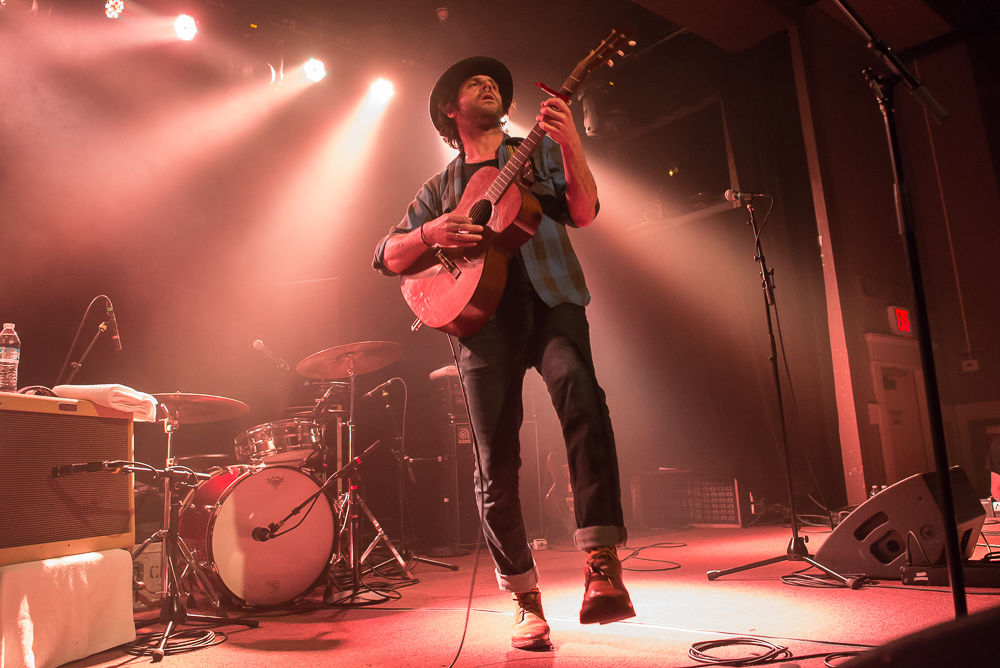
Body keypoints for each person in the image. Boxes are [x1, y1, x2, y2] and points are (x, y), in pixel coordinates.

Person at [373, 56, 634, 649]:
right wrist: (430, 233)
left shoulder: (537, 149)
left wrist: (570, 144)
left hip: (552, 301)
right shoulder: (441, 188)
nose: (489, 83)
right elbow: (385, 256)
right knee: (497, 460)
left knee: (583, 400)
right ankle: (524, 598)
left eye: (495, 81)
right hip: (478, 319)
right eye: (473, 81)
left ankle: (600, 567)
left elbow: (586, 211)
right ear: (449, 108)